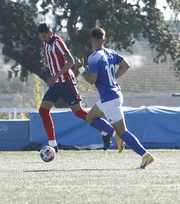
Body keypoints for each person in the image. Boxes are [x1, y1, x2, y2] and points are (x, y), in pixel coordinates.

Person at [75, 27, 154, 169]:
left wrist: (80, 69)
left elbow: (92, 80)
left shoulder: (93, 58)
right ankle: (112, 132)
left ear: (91, 40)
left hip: (109, 99)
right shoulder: (110, 52)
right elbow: (126, 65)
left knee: (122, 132)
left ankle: (145, 156)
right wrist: (114, 78)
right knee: (90, 117)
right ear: (104, 40)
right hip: (115, 95)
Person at [37, 23, 115, 152]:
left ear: (51, 33)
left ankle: (105, 130)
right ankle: (53, 144)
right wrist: (48, 58)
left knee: (78, 112)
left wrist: (55, 76)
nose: (43, 39)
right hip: (55, 84)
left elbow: (71, 61)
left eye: (44, 36)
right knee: (43, 111)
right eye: (41, 37)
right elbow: (53, 54)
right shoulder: (46, 43)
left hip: (66, 82)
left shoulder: (58, 42)